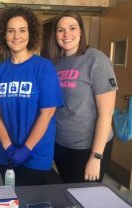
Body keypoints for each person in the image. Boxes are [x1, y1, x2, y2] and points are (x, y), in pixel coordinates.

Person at [0, 6, 63, 186]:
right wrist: (8, 147)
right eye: (11, 31)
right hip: (6, 154)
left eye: (22, 30)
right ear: (3, 35)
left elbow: (47, 114)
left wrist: (26, 149)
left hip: (36, 155)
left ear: (31, 34)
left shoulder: (44, 68)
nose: (16, 36)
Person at [49, 10, 117, 183]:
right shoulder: (55, 63)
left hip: (88, 147)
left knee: (85, 197)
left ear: (81, 31)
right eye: (60, 29)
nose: (66, 34)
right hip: (61, 144)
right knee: (68, 192)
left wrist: (96, 156)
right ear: (55, 34)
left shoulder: (96, 60)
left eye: (72, 28)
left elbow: (106, 114)